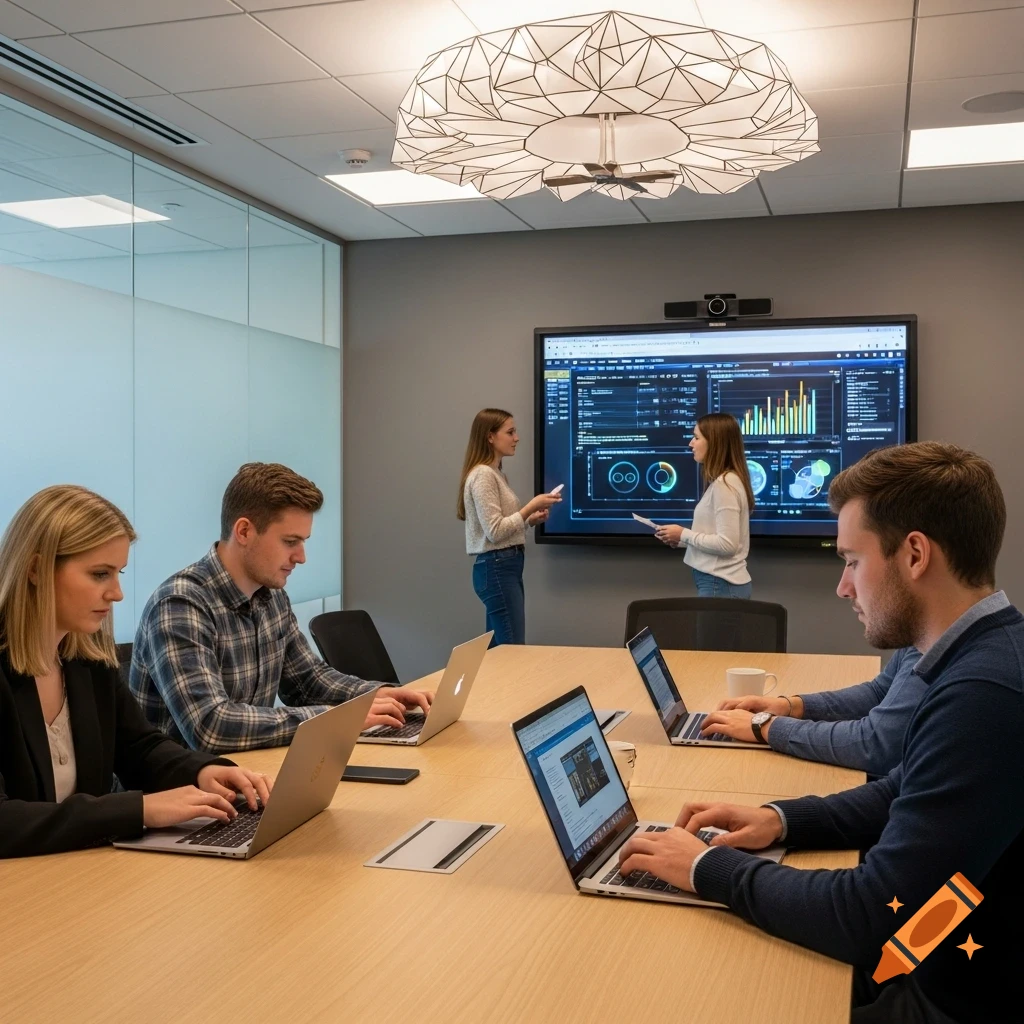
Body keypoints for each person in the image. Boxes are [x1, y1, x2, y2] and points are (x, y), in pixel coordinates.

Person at [617, 441, 1021, 1024]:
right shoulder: (985, 657)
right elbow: (905, 787)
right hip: (936, 958)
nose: (843, 587)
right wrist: (783, 819)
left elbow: (868, 917)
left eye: (852, 561)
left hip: (950, 996)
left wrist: (706, 867)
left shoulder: (986, 695)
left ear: (914, 555)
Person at [0, 485, 270, 859]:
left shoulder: (86, 659)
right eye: (99, 574)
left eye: (118, 573)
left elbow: (138, 748)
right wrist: (139, 810)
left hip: (77, 873)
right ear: (34, 569)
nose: (117, 593)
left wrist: (203, 771)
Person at [131, 463, 432, 754]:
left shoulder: (271, 596)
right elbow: (211, 726)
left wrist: (375, 695)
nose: (301, 557)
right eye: (290, 541)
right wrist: (335, 721)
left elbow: (307, 681)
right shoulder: (180, 605)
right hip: (182, 793)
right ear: (245, 531)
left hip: (246, 776)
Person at [695, 645, 924, 775]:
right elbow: (877, 693)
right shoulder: (922, 639)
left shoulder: (934, 650)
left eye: (854, 564)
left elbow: (873, 745)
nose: (843, 589)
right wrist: (790, 706)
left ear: (914, 560)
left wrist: (764, 725)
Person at [457, 408, 561, 646]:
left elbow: (501, 530)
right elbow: (495, 532)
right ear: (490, 436)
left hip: (504, 566)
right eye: (510, 432)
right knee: (512, 650)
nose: (517, 438)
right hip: (497, 568)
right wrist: (529, 507)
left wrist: (529, 520)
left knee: (499, 651)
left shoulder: (496, 474)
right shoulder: (483, 475)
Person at [654, 413, 753, 599]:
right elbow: (716, 537)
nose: (691, 443)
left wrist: (683, 533)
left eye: (697, 437)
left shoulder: (725, 484)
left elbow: (728, 545)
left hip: (720, 583)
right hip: (719, 582)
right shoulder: (725, 480)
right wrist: (682, 540)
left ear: (715, 443)